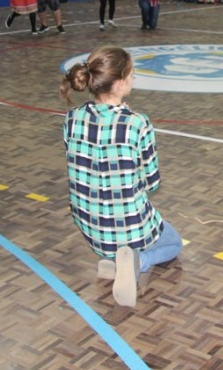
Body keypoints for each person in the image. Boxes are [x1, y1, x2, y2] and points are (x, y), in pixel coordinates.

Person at [60, 46, 182, 307]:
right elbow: (152, 182)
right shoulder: (137, 123)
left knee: (118, 222)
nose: (133, 78)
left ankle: (114, 260)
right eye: (132, 74)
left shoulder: (72, 118)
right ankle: (136, 262)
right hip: (126, 226)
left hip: (90, 225)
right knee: (174, 244)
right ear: (120, 82)